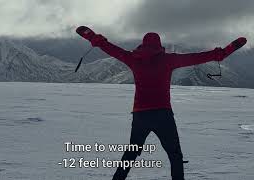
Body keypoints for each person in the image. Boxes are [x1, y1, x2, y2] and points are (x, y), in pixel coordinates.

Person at [87, 31, 227, 180]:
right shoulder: (167, 60)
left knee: (132, 152)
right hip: (163, 114)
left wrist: (96, 40)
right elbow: (193, 58)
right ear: (159, 44)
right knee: (174, 155)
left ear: (143, 43)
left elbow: (113, 50)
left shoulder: (133, 58)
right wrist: (216, 54)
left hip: (140, 115)